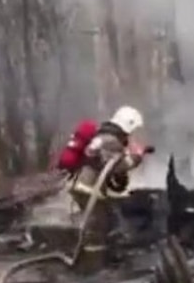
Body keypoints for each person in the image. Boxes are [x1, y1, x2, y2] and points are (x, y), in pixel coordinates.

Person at [66, 105, 154, 272]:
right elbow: (115, 166)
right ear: (127, 125)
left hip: (82, 185)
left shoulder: (104, 137)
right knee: (100, 226)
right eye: (132, 129)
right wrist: (137, 157)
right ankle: (94, 269)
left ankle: (90, 261)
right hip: (88, 189)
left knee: (100, 223)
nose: (131, 134)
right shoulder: (112, 141)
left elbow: (104, 166)